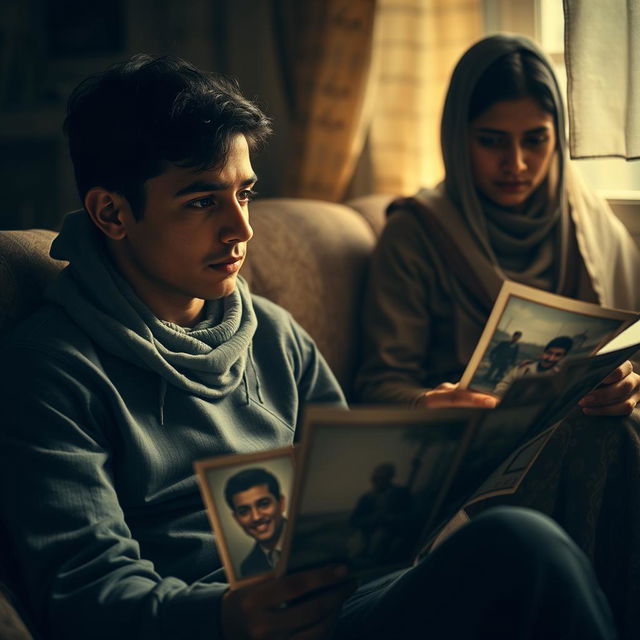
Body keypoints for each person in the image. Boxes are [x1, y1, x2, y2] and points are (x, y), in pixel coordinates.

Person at [0, 53, 620, 640]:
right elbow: (84, 587)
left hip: (350, 596)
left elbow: (350, 519)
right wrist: (223, 616)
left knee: (580, 465)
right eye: (201, 201)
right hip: (231, 622)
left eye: (244, 193)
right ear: (111, 213)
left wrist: (426, 445)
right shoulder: (51, 371)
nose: (241, 230)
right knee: (520, 549)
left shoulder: (273, 333)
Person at [355, 34, 640, 418]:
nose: (517, 164)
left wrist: (626, 387)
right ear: (458, 139)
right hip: (470, 449)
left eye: (536, 140)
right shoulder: (415, 233)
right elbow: (377, 387)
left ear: (558, 140)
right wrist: (429, 402)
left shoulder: (585, 222)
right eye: (492, 141)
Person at [224, 468, 288, 577]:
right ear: (236, 518)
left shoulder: (317, 539)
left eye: (264, 504)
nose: (256, 517)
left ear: (281, 503)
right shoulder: (248, 568)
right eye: (244, 511)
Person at [349, 463, 415, 566]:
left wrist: (390, 519)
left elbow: (411, 516)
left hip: (390, 535)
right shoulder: (367, 498)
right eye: (375, 478)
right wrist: (371, 520)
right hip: (365, 535)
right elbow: (354, 520)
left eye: (382, 478)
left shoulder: (400, 493)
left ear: (389, 478)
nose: (377, 481)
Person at [494, 335, 573, 396]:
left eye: (557, 355)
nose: (551, 358)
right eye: (549, 353)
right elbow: (504, 384)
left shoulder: (558, 377)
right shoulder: (524, 367)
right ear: (543, 352)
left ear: (563, 357)